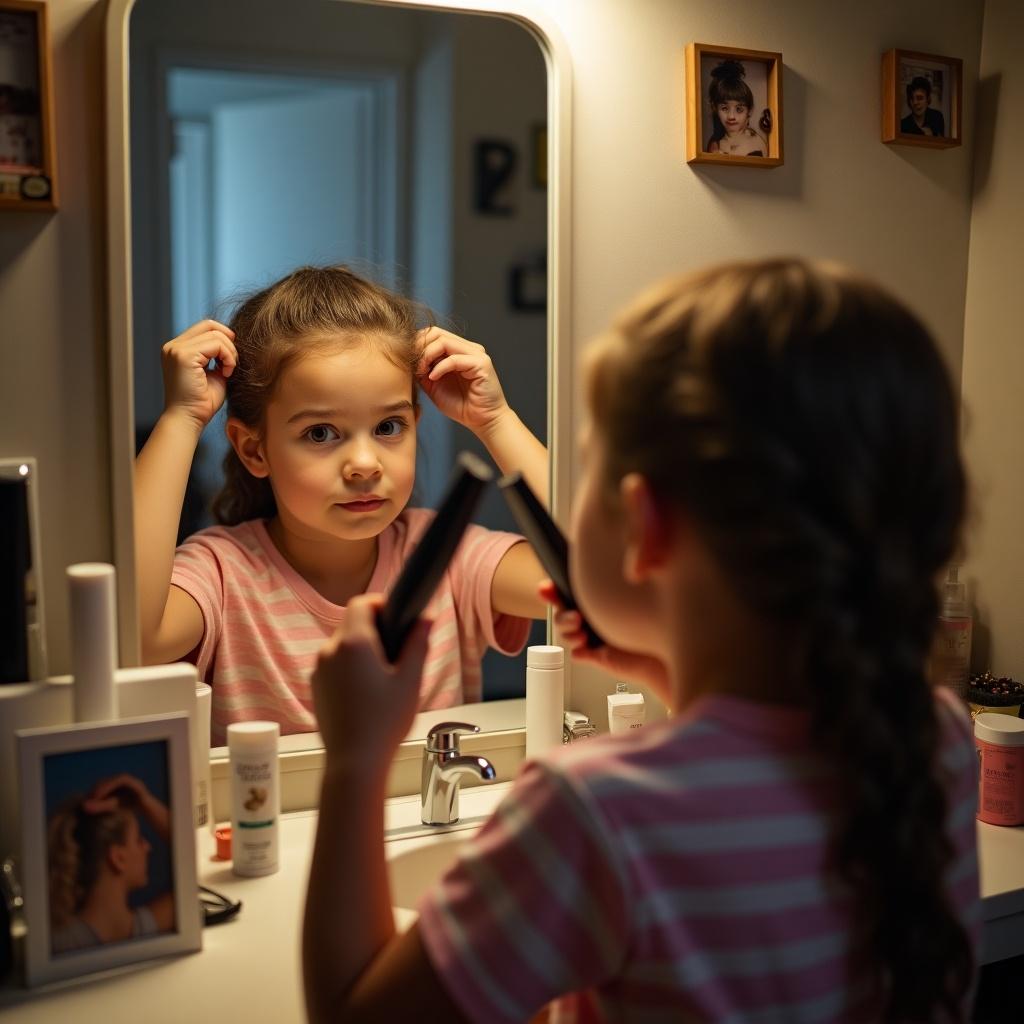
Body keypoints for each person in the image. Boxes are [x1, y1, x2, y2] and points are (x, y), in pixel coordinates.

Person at [303, 258, 980, 1022]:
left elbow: (354, 1016)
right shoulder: (936, 740)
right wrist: (668, 675)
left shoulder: (594, 812)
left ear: (646, 526)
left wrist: (356, 763)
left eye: (589, 465)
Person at [135, 265, 548, 744]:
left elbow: (591, 581)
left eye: (389, 427)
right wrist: (181, 418)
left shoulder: (447, 557)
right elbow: (136, 641)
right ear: (254, 450)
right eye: (320, 433)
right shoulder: (223, 574)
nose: (364, 464)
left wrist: (496, 419)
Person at [48, 774, 174, 954]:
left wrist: (143, 802)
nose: (148, 847)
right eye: (138, 840)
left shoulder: (61, 943)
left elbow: (188, 865)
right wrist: (145, 803)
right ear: (118, 858)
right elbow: (189, 868)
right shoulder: (60, 944)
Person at [705, 59, 769, 156]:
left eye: (739, 109)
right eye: (724, 108)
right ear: (715, 108)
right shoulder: (715, 145)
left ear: (750, 110)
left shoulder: (756, 144)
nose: (731, 116)